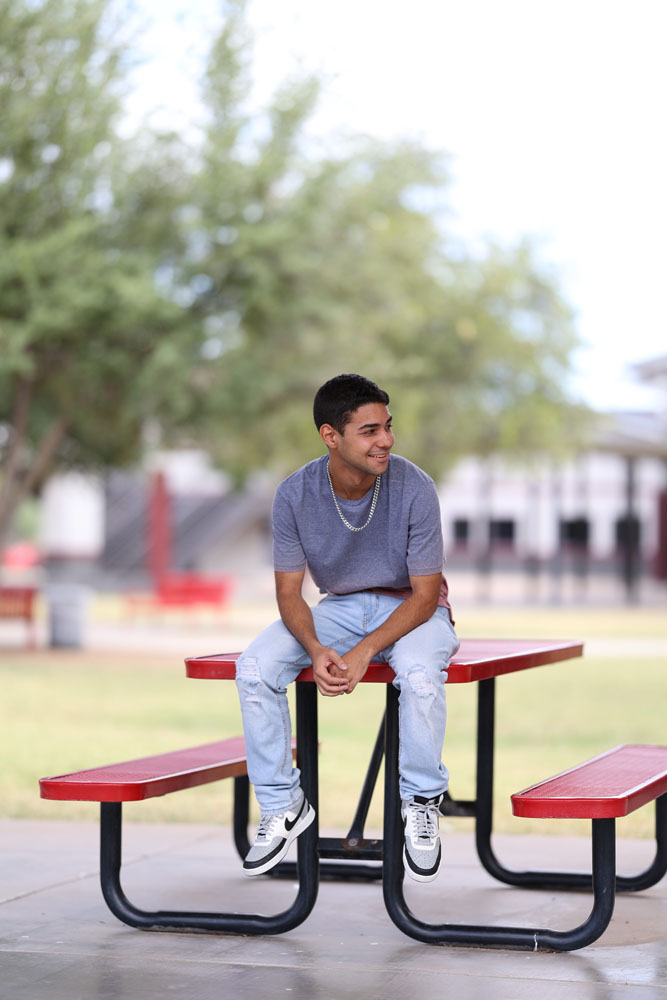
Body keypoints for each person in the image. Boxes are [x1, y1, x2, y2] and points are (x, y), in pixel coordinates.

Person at [235, 373, 459, 882]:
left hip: (411, 609)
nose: (386, 440)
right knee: (253, 669)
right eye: (369, 431)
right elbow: (290, 593)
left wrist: (363, 652)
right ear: (330, 436)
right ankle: (283, 804)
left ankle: (421, 802)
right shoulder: (294, 494)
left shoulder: (415, 486)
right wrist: (314, 647)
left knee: (420, 678)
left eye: (388, 427)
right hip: (339, 607)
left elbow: (425, 596)